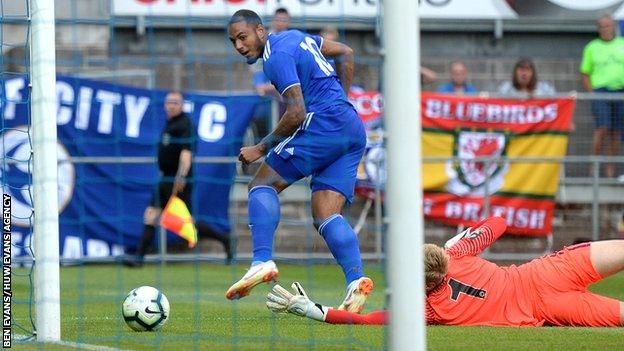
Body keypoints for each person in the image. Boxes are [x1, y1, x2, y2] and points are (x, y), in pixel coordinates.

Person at [225, 10, 374, 313]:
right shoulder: (294, 37)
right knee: (325, 213)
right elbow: (346, 52)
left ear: (260, 31)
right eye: (233, 41)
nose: (239, 46)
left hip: (323, 124)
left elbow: (295, 113)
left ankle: (262, 260)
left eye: (243, 37)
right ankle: (356, 280)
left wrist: (260, 148)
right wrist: (341, 100)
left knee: (261, 185)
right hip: (350, 126)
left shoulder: (274, 57)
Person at [268, 216, 624, 327]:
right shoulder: (458, 254)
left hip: (544, 308)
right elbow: (498, 222)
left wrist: (317, 311)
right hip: (546, 273)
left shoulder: (429, 311)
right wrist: (462, 238)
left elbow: (372, 319)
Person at [123, 91, 232, 267]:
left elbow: (186, 155)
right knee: (150, 216)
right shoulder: (170, 123)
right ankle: (139, 258)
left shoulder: (185, 125)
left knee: (188, 223)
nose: (171, 105)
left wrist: (180, 178)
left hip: (179, 182)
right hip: (164, 178)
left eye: (175, 102)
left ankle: (224, 239)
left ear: (181, 105)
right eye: (168, 102)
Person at [580, 14, 624, 178]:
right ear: (598, 29)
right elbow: (585, 72)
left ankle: (610, 168)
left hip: (620, 93)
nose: (606, 29)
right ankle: (595, 166)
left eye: (608, 26)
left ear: (614, 27)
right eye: (602, 26)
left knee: (616, 132)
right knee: (602, 128)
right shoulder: (592, 47)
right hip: (601, 93)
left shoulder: (622, 44)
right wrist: (592, 94)